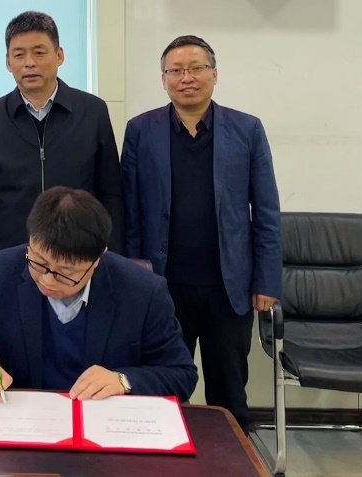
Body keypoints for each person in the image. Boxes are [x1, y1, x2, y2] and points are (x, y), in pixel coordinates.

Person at [120, 34, 281, 432]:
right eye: (175, 70)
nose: (186, 77)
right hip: (162, 286)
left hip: (228, 287)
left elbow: (266, 212)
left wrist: (266, 280)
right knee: (163, 388)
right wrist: (132, 277)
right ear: (163, 79)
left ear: (214, 74)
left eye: (196, 68)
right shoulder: (140, 130)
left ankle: (233, 456)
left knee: (229, 391)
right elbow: (130, 212)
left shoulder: (247, 129)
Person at [0, 187, 196, 401]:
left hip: (101, 424)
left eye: (65, 272)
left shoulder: (143, 292)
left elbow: (181, 374)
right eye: (39, 263)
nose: (47, 280)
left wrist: (123, 380)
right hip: (25, 421)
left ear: (97, 259)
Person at [0, 11, 123, 303]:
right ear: (8, 62)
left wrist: (112, 257)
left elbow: (111, 193)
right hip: (11, 262)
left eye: (39, 52)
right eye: (19, 54)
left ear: (59, 56)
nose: (29, 63)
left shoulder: (93, 111)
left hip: (78, 264)